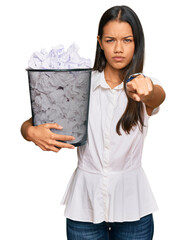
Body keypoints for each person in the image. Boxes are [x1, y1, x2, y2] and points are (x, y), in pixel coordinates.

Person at [21, 5, 166, 240]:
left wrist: (147, 89)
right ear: (100, 42)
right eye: (110, 40)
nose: (118, 49)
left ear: (137, 42)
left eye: (127, 40)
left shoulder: (143, 84)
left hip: (133, 207)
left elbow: (157, 95)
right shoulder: (80, 84)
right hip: (84, 207)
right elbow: (33, 122)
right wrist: (29, 131)